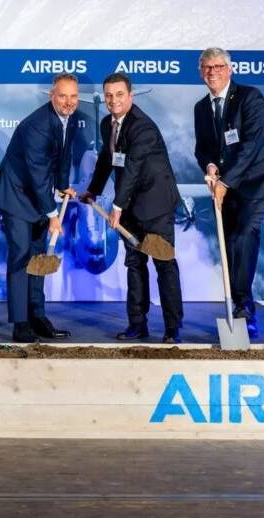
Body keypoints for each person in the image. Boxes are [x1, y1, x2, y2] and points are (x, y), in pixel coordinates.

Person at [79, 72, 184, 343]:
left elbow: (133, 169)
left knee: (164, 265)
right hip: (130, 208)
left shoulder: (142, 128)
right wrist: (94, 189)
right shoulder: (107, 124)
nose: (113, 100)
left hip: (155, 206)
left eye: (119, 95)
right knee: (135, 265)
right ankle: (137, 324)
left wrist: (116, 206)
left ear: (131, 96)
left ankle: (173, 328)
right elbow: (107, 158)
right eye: (109, 95)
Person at [194, 47, 264, 338]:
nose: (213, 72)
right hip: (226, 187)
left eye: (218, 66)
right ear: (201, 72)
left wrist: (226, 181)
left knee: (244, 235)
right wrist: (209, 166)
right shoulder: (201, 108)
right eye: (207, 67)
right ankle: (238, 303)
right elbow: (204, 146)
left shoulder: (249, 97)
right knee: (230, 244)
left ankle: (245, 309)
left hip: (256, 183)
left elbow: (252, 144)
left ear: (230, 70)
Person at [0, 73, 79, 343]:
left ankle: (37, 316)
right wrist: (53, 215)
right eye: (62, 96)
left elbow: (63, 157)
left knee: (38, 256)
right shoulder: (38, 125)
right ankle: (20, 323)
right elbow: (37, 173)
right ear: (51, 95)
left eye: (73, 96)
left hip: (38, 195)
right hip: (16, 194)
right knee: (21, 255)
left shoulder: (68, 119)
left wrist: (63, 186)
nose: (68, 102)